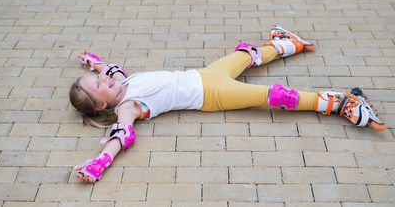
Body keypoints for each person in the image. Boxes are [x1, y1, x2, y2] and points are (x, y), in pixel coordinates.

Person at [69, 25, 385, 183]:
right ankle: (340, 104)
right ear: (100, 106)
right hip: (212, 96)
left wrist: (93, 63)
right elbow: (121, 137)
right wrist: (97, 165)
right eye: (98, 88)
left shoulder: (121, 82)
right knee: (274, 96)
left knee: (247, 55)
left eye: (99, 80)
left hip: (207, 73)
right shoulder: (128, 106)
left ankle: (288, 43)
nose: (104, 81)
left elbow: (109, 68)